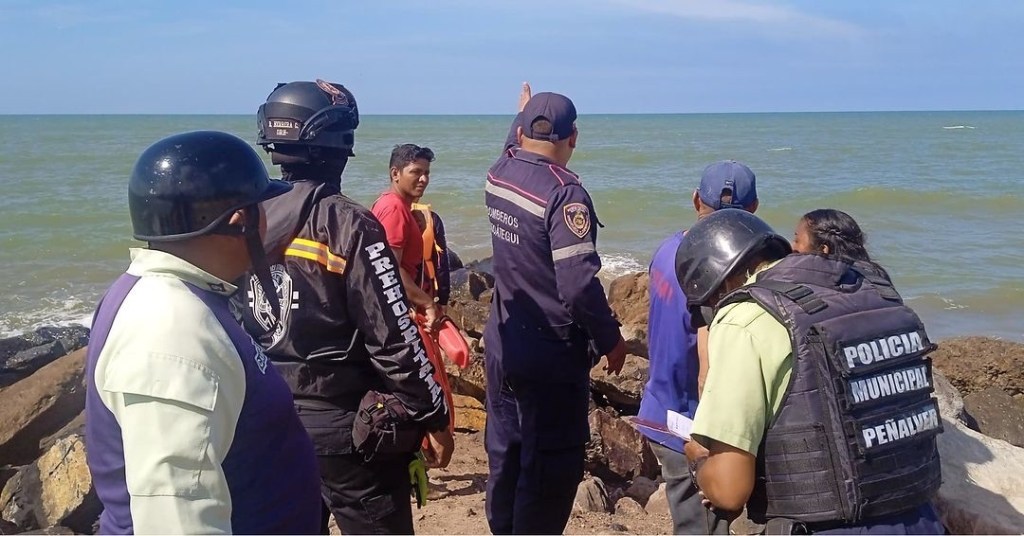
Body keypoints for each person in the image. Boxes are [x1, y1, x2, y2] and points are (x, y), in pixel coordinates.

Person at [236, 80, 452, 535]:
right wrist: (434, 415)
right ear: (342, 144)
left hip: (270, 420)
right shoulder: (349, 224)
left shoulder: (244, 219)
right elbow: (394, 337)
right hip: (349, 433)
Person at [85, 130, 321, 534]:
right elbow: (177, 516)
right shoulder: (169, 329)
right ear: (239, 221)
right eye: (262, 206)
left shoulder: (189, 296)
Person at [678, 209, 944, 534]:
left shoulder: (745, 317)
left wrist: (699, 461)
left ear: (720, 283)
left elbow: (730, 490)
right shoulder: (876, 290)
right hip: (921, 518)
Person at [483, 82, 627, 535]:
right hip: (549, 357)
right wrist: (611, 339)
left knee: (505, 456)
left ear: (523, 132)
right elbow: (578, 283)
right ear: (574, 137)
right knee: (548, 471)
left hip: (503, 341)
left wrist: (521, 114)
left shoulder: (499, 173)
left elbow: (511, 146)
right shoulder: (565, 195)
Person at [638, 160, 758, 535]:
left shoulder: (668, 249)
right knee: (703, 527)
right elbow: (709, 371)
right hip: (693, 425)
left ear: (695, 200)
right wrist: (709, 443)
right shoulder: (718, 273)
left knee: (690, 521)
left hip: (660, 405)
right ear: (753, 211)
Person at [372, 144, 444, 331]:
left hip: (396, 304)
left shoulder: (391, 203)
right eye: (416, 172)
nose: (424, 179)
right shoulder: (394, 208)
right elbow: (390, 269)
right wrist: (428, 304)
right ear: (395, 173)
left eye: (427, 173)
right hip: (394, 309)